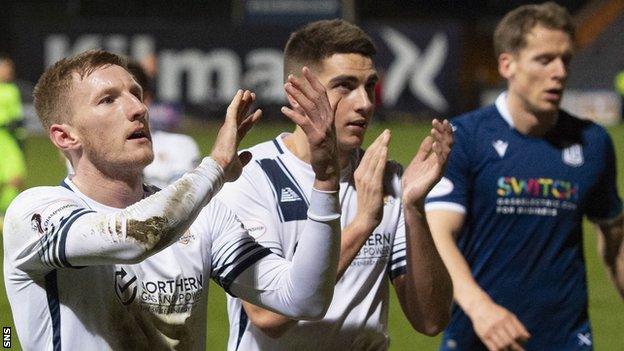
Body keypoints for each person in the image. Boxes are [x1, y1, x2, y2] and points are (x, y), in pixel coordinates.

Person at [3, 49, 344, 350]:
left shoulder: (205, 217)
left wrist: (326, 181)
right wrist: (214, 169)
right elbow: (136, 237)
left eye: (136, 94)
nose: (138, 108)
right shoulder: (35, 214)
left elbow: (304, 299)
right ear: (65, 136)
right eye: (108, 99)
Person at [218, 19, 454, 351]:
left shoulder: (385, 179)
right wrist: (361, 226)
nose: (365, 103)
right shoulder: (251, 175)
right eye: (344, 86)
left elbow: (431, 320)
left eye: (369, 86)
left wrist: (414, 208)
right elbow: (268, 317)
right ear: (299, 94)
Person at [425, 3, 624, 351]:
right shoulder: (465, 137)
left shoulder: (592, 143)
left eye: (565, 59)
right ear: (508, 65)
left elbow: (616, 241)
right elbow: (438, 234)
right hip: (477, 335)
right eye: (544, 60)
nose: (559, 72)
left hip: (565, 340)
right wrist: (480, 308)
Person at [0, 53, 26, 230]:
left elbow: (17, 118)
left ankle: (5, 212)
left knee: (16, 176)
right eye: (5, 67)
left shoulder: (12, 90)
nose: (9, 71)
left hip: (9, 139)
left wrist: (20, 137)